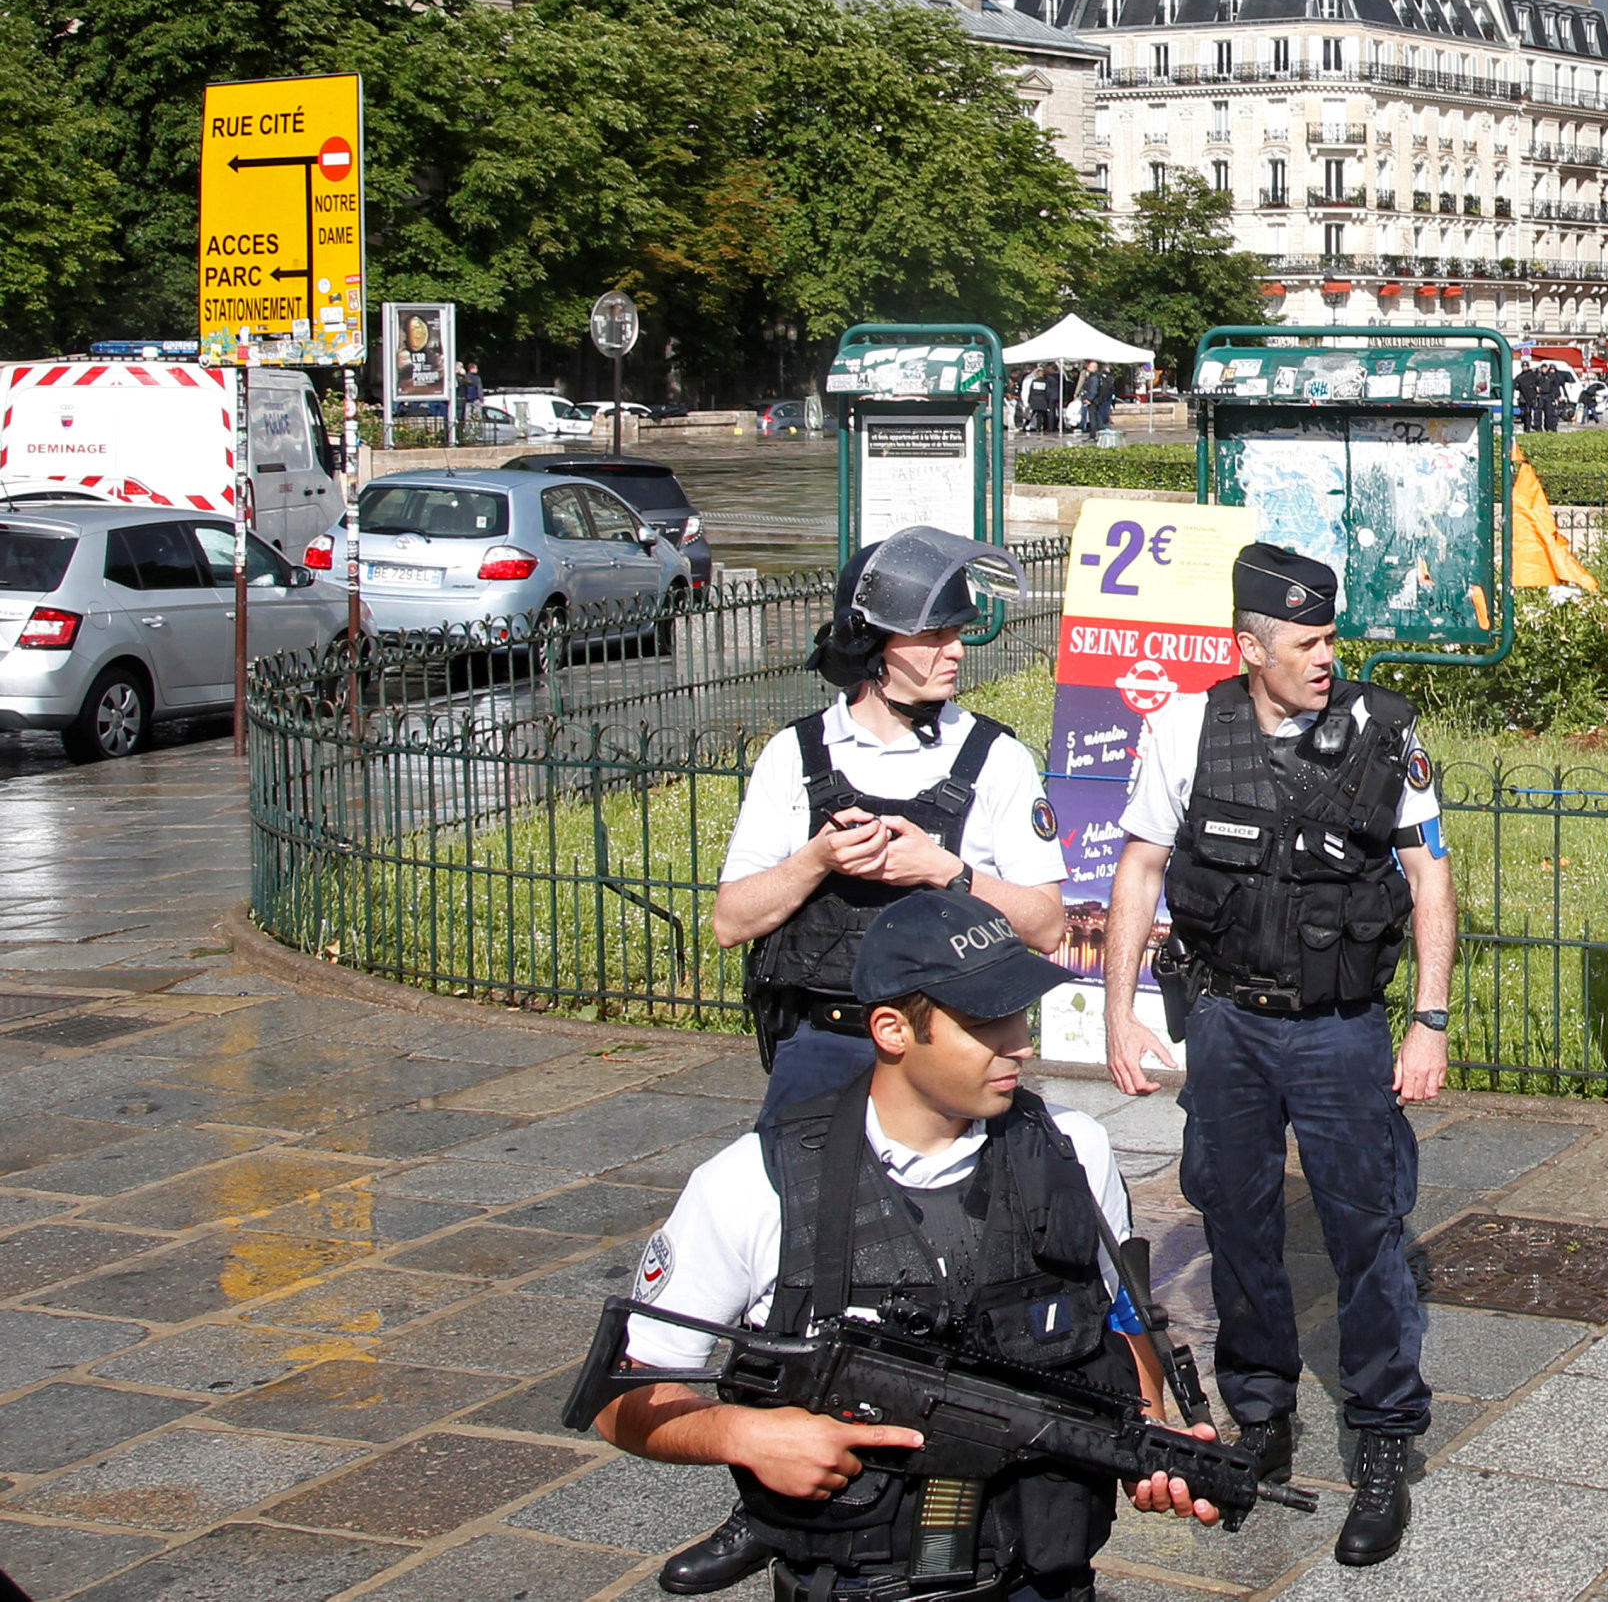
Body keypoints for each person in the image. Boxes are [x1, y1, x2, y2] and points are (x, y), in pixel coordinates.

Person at [596, 889, 1226, 1602]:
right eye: (987, 1022)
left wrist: (1150, 1439)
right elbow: (620, 1395)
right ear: (894, 1030)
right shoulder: (755, 1184)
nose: (1019, 1042)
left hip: (1041, 1576)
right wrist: (741, 1435)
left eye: (1017, 1014)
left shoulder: (1072, 1152)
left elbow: (1117, 1319)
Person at [661, 526, 1070, 1595]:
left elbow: (1046, 924)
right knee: (793, 1286)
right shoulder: (791, 758)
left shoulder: (994, 758)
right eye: (933, 632)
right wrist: (812, 860)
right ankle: (767, 1499)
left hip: (937, 1061)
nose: (955, 651)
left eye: (957, 632)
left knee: (957, 1279)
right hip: (820, 1051)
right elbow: (727, 921)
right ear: (873, 642)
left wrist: (949, 868)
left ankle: (951, 1486)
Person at [1099, 541, 1455, 1569]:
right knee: (1236, 1224)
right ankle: (1260, 1420)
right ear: (1246, 644)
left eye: (1330, 636)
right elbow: (1139, 869)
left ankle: (1385, 1436)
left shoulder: (1384, 733)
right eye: (1302, 641)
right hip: (1228, 1026)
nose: (1322, 657)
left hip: (1341, 1032)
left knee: (1367, 1233)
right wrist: (1119, 1015)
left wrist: (1425, 1022)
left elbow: (1429, 880)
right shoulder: (1183, 729)